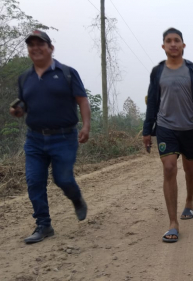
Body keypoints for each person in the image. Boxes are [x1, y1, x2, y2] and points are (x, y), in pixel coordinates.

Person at [9, 30, 91, 244]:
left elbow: (82, 100)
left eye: (40, 44)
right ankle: (44, 225)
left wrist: (86, 126)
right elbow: (26, 102)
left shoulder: (67, 73)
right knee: (34, 181)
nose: (35, 48)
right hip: (35, 138)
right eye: (31, 45)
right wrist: (19, 110)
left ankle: (76, 198)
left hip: (64, 137)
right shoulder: (24, 78)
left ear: (50, 48)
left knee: (62, 178)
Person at [142, 28, 193, 243]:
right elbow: (153, 101)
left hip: (190, 127)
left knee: (190, 169)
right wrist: (147, 130)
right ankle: (173, 223)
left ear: (183, 45)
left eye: (177, 40)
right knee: (169, 167)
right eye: (168, 41)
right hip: (165, 127)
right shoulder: (157, 72)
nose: (173, 44)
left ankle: (189, 202)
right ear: (163, 46)